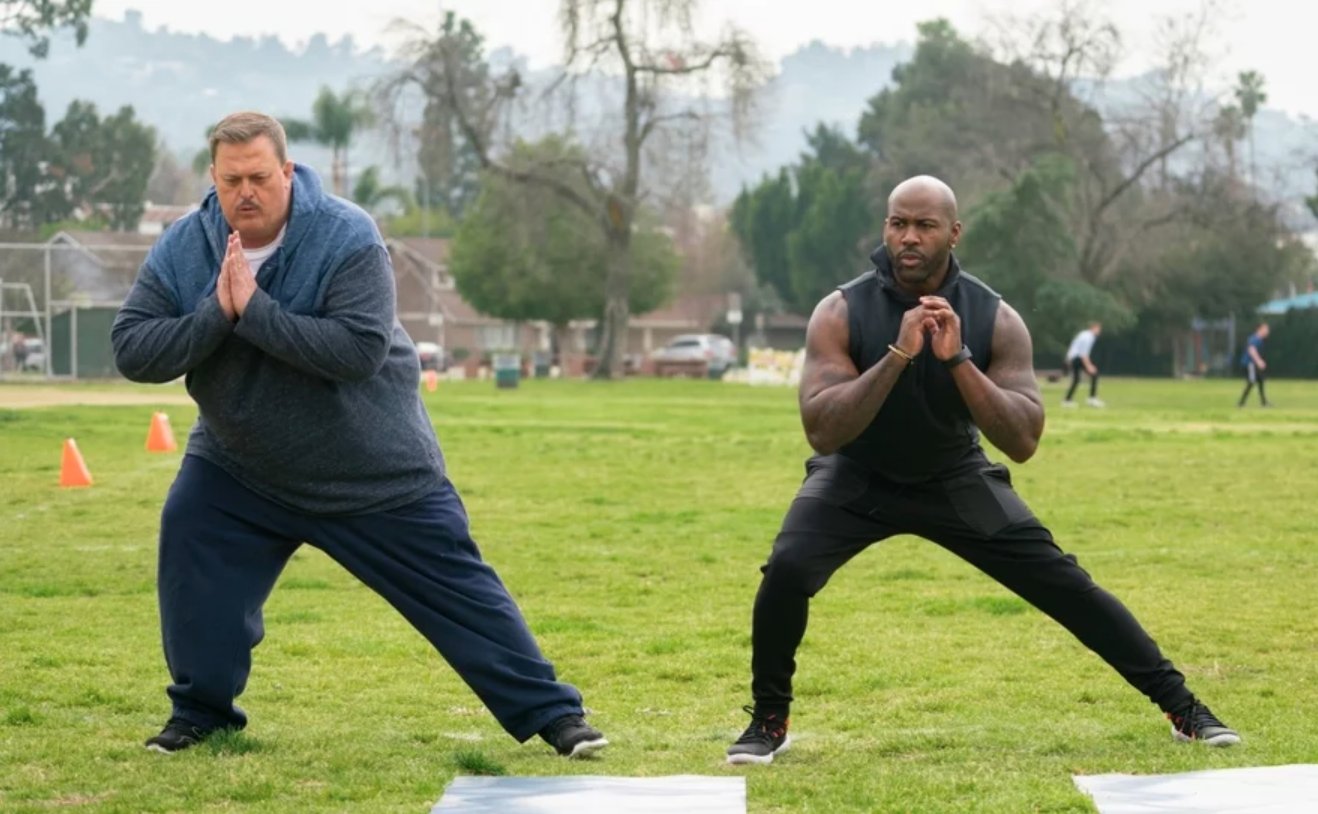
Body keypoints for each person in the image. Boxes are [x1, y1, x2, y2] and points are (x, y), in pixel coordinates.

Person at [111, 111, 606, 758]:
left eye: (260, 176)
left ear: (287, 172)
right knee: (191, 553)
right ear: (213, 177)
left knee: (460, 594)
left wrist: (254, 312)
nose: (246, 192)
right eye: (231, 180)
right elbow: (132, 348)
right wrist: (216, 313)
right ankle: (201, 714)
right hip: (240, 466)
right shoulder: (184, 247)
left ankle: (555, 716)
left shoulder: (347, 236)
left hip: (370, 468)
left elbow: (357, 350)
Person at [725, 175, 1239, 765]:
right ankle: (769, 719)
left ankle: (1183, 707)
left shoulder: (995, 317)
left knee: (1065, 583)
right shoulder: (841, 310)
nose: (908, 238)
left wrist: (957, 359)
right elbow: (823, 429)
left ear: (954, 232)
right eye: (898, 223)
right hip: (858, 477)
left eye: (924, 225)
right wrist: (898, 355)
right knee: (787, 567)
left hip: (953, 477)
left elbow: (1022, 440)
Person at [1063, 321, 1103, 407]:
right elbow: (1083, 354)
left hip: (1073, 358)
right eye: (1098, 329)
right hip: (1078, 358)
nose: (1099, 331)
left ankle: (1067, 400)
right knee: (1094, 374)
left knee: (1076, 380)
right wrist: (1089, 366)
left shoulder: (1083, 334)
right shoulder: (1089, 337)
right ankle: (1092, 398)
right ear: (1094, 328)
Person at [1238, 322, 1270, 407]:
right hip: (1249, 364)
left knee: (1260, 381)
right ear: (1260, 329)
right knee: (1251, 381)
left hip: (1252, 364)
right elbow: (1251, 350)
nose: (1267, 331)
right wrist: (1259, 361)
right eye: (1266, 329)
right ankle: (1241, 403)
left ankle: (1264, 403)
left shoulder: (1259, 340)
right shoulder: (1255, 339)